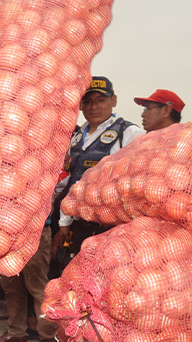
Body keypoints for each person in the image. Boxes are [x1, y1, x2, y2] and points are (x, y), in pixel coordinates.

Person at [52, 77, 145, 263]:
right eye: (87, 101)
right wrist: (65, 223)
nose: (93, 107)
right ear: (80, 105)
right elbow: (70, 183)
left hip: (115, 226)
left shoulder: (130, 133)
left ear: (114, 100)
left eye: (101, 100)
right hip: (81, 225)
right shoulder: (76, 137)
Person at [0, 218, 59, 342]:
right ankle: (17, 333)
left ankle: (49, 336)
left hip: (33, 232)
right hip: (5, 235)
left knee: (38, 288)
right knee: (11, 287)